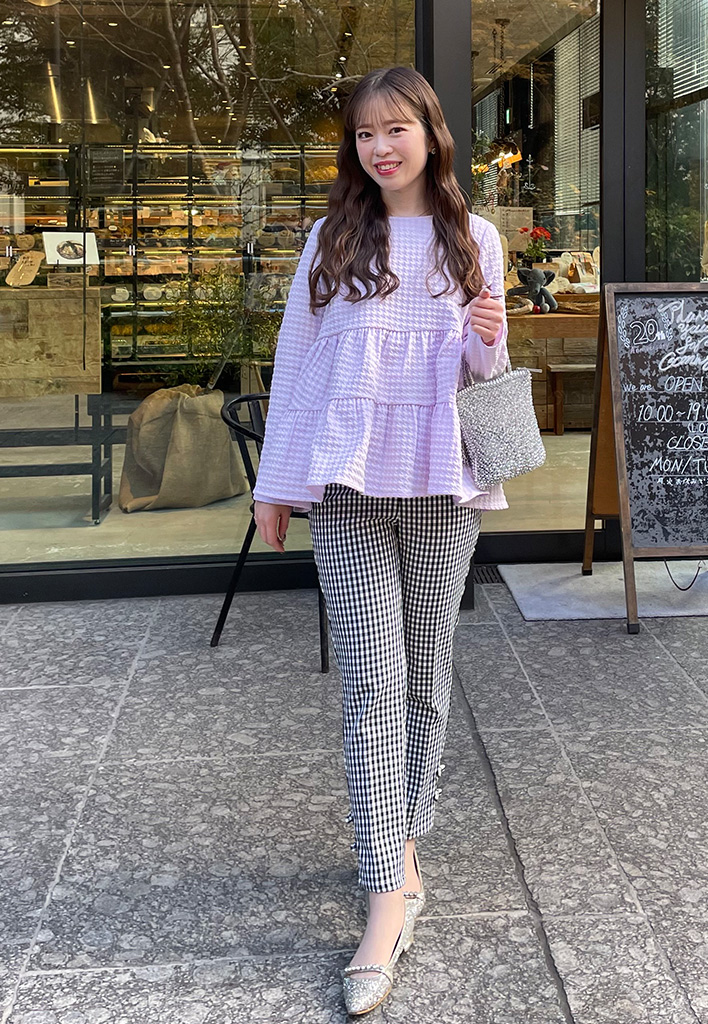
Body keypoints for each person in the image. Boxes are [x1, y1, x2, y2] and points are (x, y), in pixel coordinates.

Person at [252, 65, 508, 1016]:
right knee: (370, 684)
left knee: (424, 679)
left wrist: (489, 332)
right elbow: (296, 365)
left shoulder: (473, 237)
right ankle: (385, 895)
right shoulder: (330, 238)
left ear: (431, 134)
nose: (380, 146)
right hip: (349, 488)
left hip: (441, 486)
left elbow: (484, 371)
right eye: (364, 133)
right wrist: (275, 484)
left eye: (396, 128)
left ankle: (398, 849)